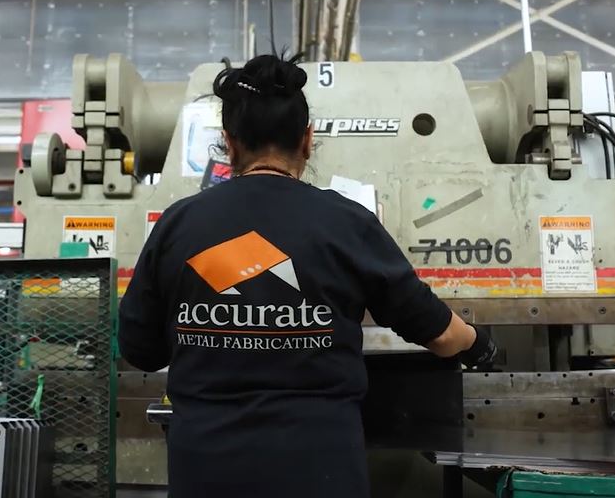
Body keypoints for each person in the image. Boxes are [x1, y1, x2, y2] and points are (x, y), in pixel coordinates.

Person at [118, 53, 496, 498]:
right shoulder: (346, 223)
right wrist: (480, 342)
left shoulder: (178, 226)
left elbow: (139, 350)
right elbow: (440, 334)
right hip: (321, 470)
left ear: (228, 143)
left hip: (207, 469)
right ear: (308, 139)